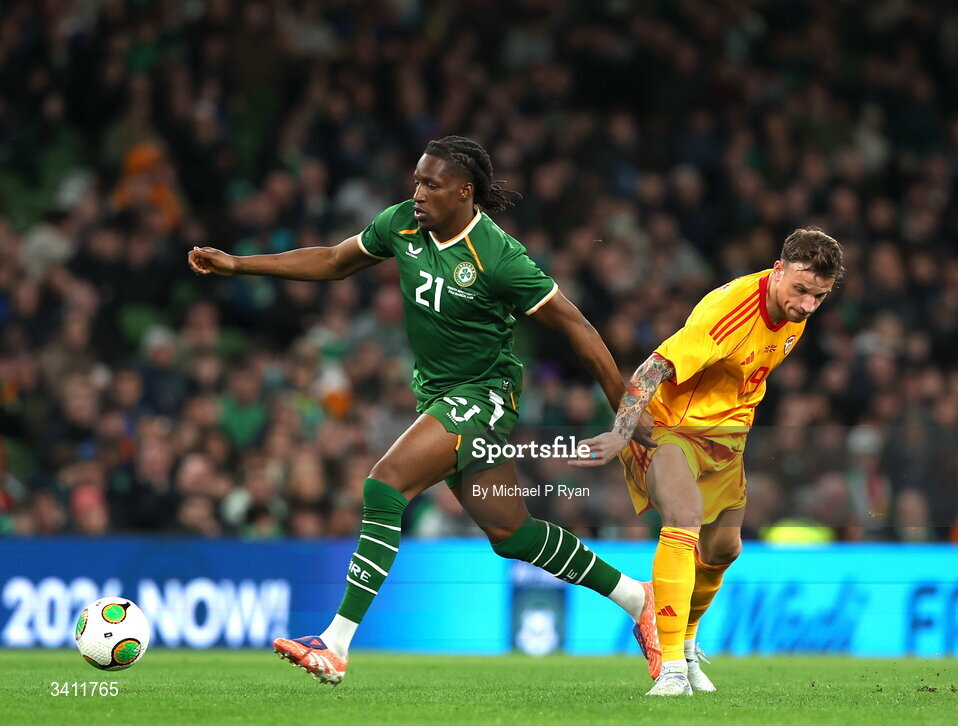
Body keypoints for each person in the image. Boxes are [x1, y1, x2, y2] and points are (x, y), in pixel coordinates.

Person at [188, 136, 658, 686]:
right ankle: (637, 597)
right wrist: (238, 265)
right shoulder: (402, 227)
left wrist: (624, 413)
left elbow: (579, 327)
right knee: (513, 534)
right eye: (416, 181)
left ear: (464, 192)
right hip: (439, 395)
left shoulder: (499, 257)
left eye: (430, 185)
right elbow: (333, 260)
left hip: (484, 395)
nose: (417, 193)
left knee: (384, 484)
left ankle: (335, 642)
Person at [572, 229, 844, 696]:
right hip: (671, 428)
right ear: (778, 270)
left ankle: (689, 643)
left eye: (819, 296)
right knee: (684, 518)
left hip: (727, 437)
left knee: (723, 550)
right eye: (800, 290)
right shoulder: (730, 312)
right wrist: (621, 433)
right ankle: (672, 667)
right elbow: (652, 368)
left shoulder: (798, 311)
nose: (807, 305)